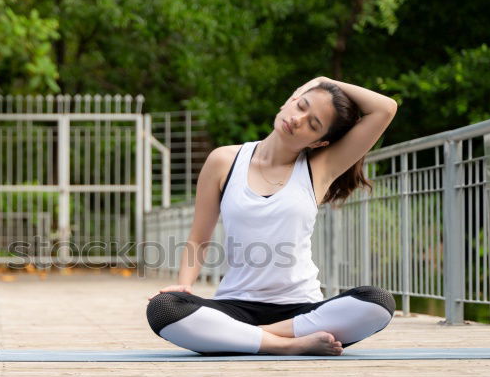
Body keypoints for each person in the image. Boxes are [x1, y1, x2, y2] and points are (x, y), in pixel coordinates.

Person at [145, 77, 398, 356]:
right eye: (301, 105)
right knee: (164, 308)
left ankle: (245, 338)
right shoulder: (224, 161)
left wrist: (324, 80)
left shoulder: (320, 168)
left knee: (378, 301)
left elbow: (385, 109)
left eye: (312, 124)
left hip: (300, 310)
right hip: (235, 305)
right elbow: (198, 237)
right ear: (290, 100)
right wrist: (185, 284)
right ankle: (288, 345)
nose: (298, 119)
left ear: (319, 142)